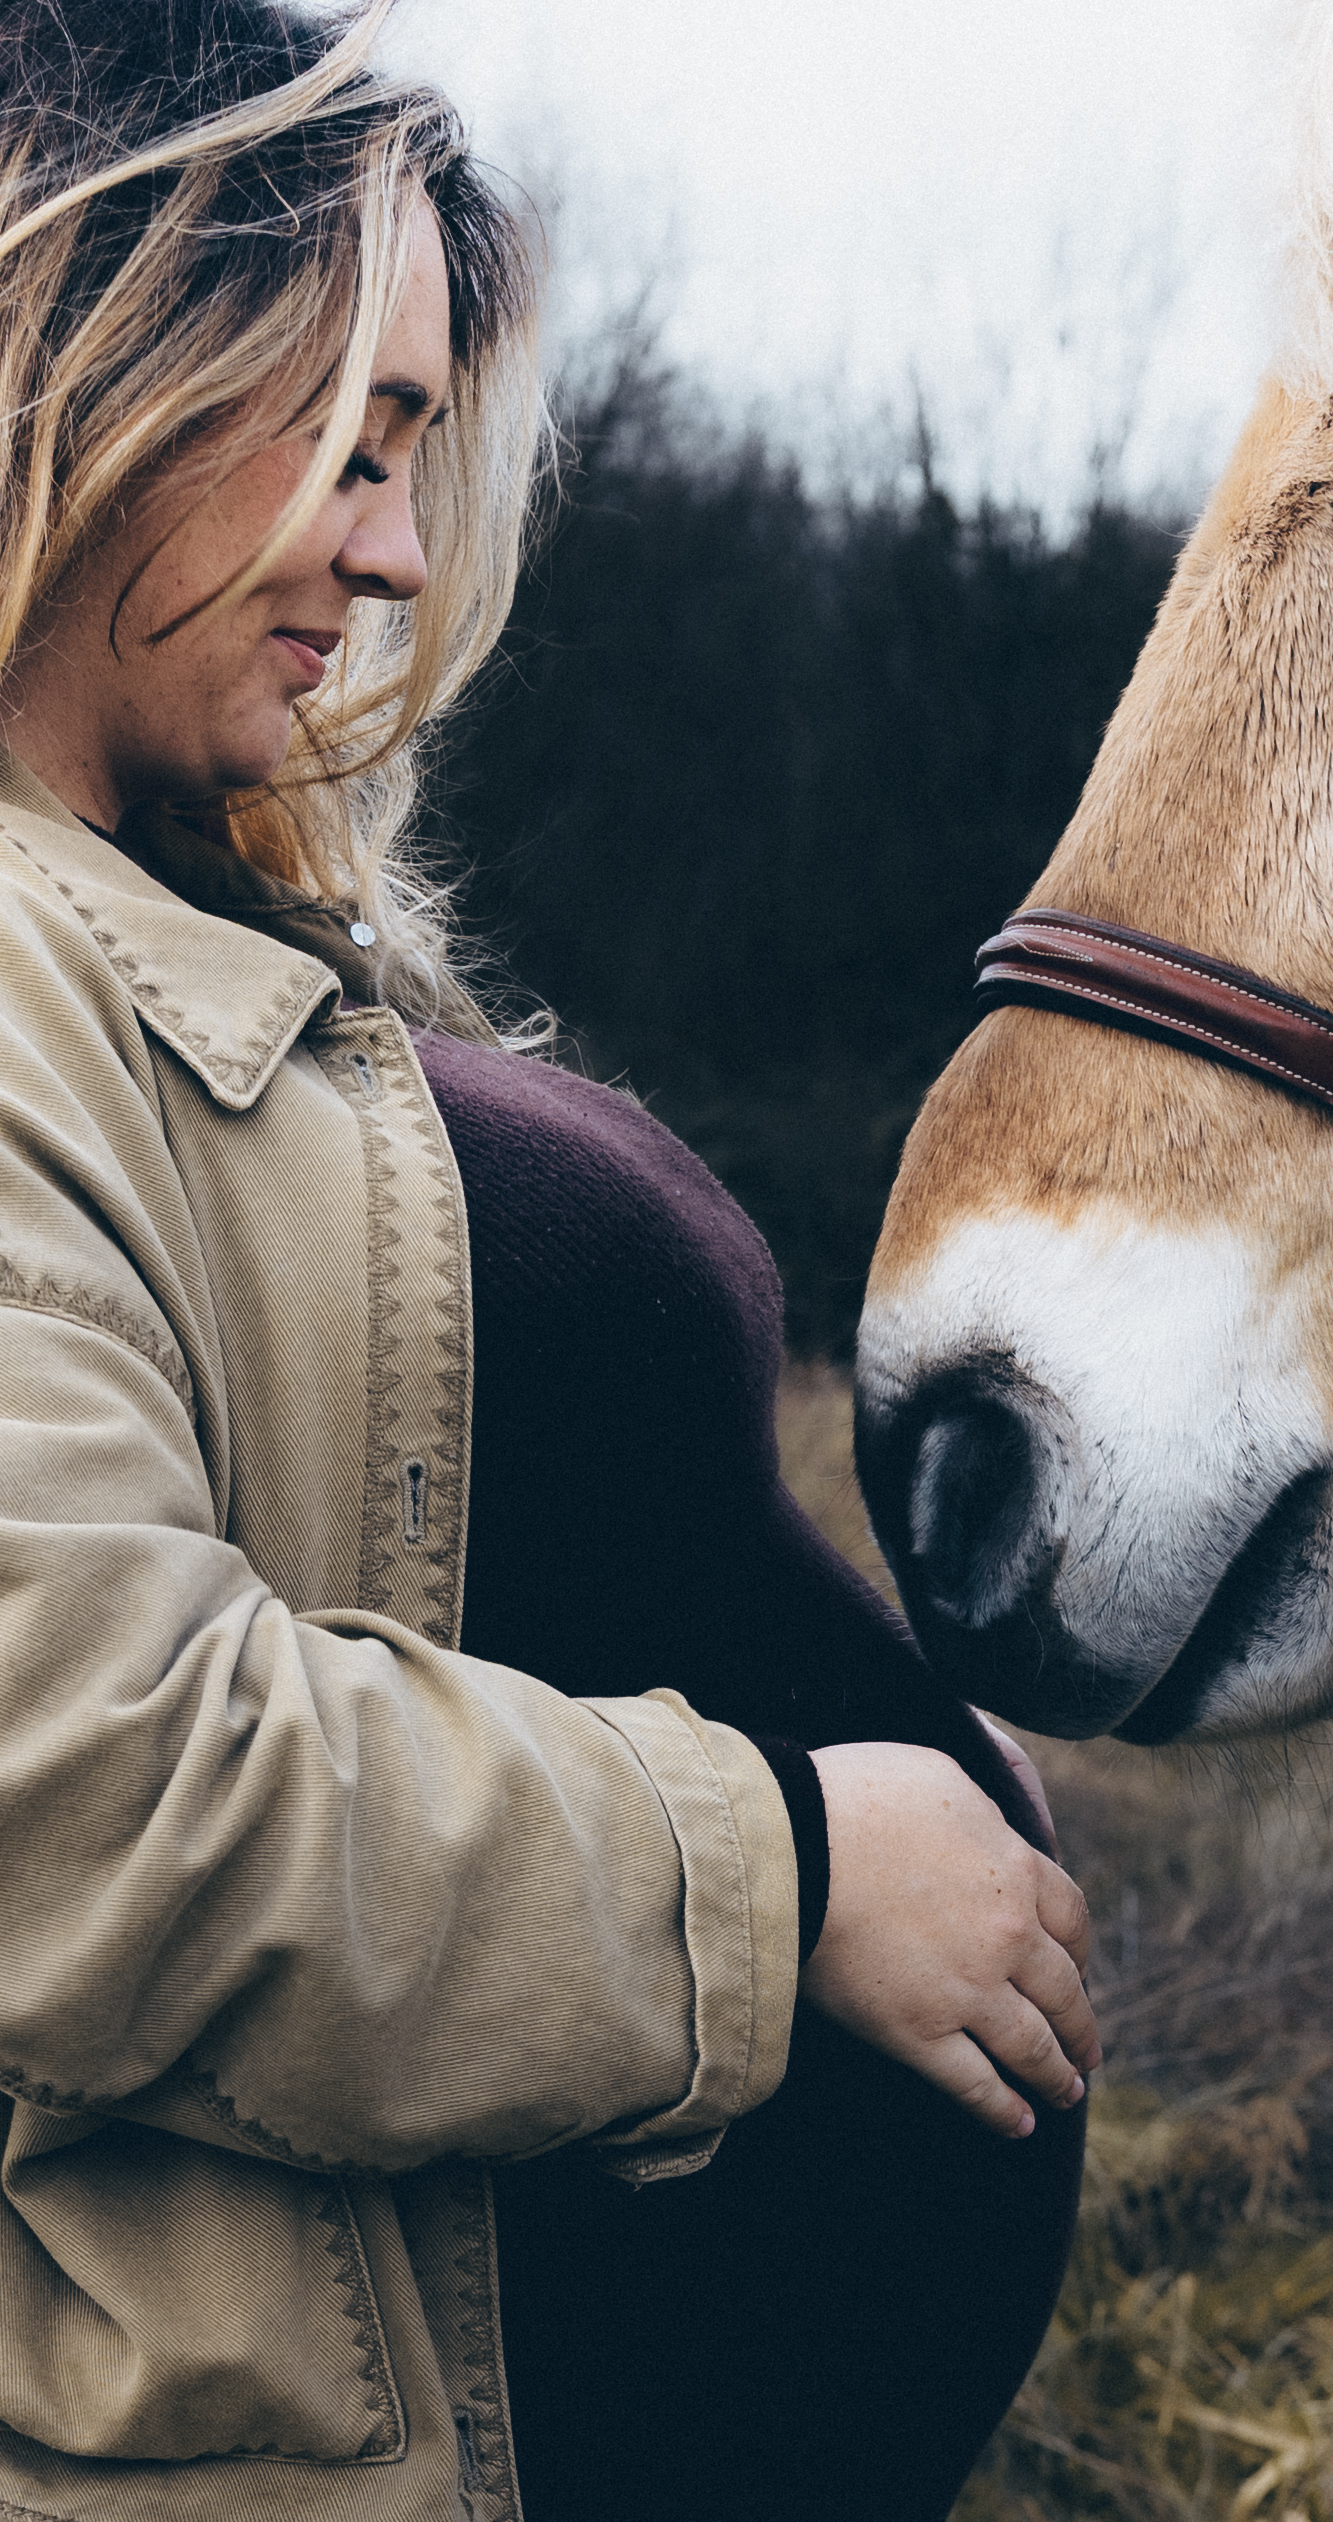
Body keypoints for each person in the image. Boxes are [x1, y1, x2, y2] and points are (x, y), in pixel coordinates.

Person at [0, 4, 1099, 2518]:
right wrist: (785, 1874)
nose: (397, 550)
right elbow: (75, 1804)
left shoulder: (176, 912)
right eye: (353, 431)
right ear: (105, 356)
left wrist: (912, 1771)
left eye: (414, 453)